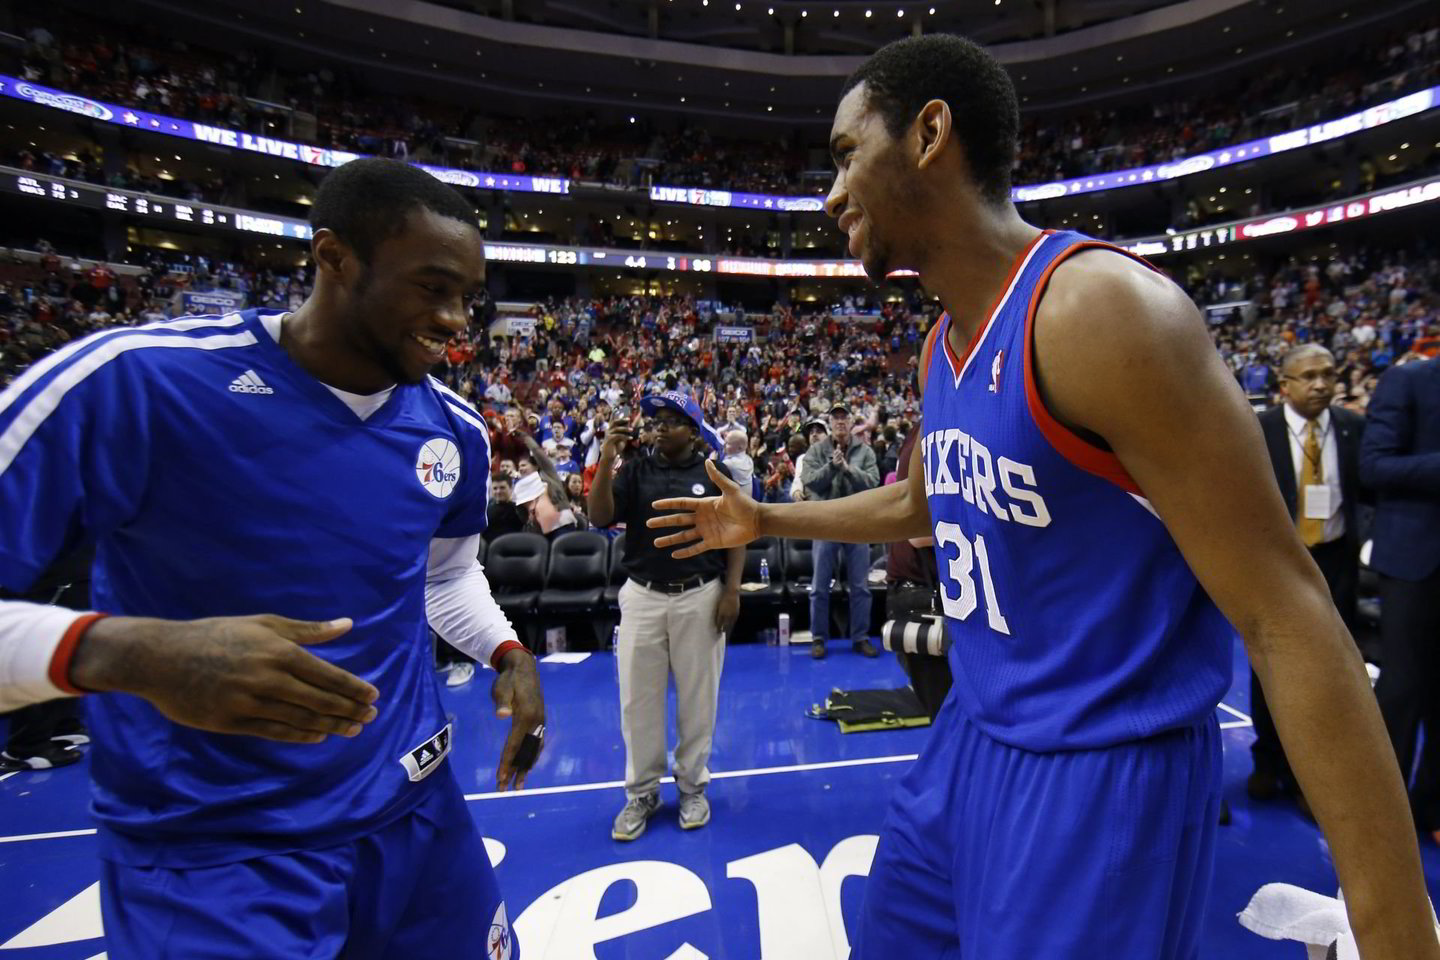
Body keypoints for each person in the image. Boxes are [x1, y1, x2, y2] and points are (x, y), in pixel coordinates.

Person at [648, 35, 1436, 960]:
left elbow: (1287, 614)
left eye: (846, 153)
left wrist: (1396, 928)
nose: (830, 194)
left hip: (1102, 765)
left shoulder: (1100, 311)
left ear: (929, 134)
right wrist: (766, 518)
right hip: (971, 733)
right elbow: (926, 503)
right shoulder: (942, 342)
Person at [0, 158, 546, 959]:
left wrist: (506, 650)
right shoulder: (131, 381)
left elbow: (445, 574)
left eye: (468, 296)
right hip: (216, 850)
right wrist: (123, 653)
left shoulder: (454, 429)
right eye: (432, 288)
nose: (456, 319)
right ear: (334, 257)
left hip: (414, 814)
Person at [588, 391, 743, 841]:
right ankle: (642, 793)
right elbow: (599, 515)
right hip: (643, 595)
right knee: (638, 701)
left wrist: (732, 590)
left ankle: (692, 787)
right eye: (654, 421)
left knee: (698, 700)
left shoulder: (716, 473)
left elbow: (737, 533)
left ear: (693, 432)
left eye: (670, 421)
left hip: (701, 594)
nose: (658, 428)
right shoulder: (634, 469)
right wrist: (606, 460)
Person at [1250, 344, 1367, 811]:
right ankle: (1267, 760)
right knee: (1271, 670)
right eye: (1309, 376)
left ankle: (1311, 778)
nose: (1321, 384)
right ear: (1284, 385)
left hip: (1336, 559)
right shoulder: (1259, 429)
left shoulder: (1353, 427)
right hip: (1279, 563)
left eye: (1329, 374)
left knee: (1331, 672)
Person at [1361, 356, 1440, 843]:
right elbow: (1374, 465)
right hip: (1415, 558)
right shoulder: (1409, 380)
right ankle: (1379, 815)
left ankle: (1432, 806)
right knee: (1403, 688)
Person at [801, 403, 881, 659]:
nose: (840, 422)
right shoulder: (816, 451)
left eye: (844, 417)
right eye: (835, 418)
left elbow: (873, 483)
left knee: (860, 586)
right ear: (830, 424)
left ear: (850, 422)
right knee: (819, 587)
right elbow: (809, 481)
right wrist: (832, 468)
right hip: (826, 523)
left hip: (857, 524)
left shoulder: (865, 451)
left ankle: (860, 637)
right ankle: (818, 638)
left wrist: (847, 469)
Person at [485, 474, 527, 542]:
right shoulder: (486, 508)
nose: (498, 491)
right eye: (495, 488)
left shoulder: (519, 508)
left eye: (502, 488)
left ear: (511, 488)